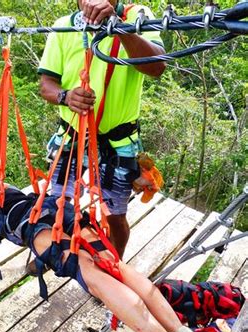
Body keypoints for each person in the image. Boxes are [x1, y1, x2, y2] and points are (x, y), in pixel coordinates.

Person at [0, 151, 217, 332]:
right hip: (56, 211)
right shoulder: (5, 185)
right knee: (113, 265)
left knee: (95, 278)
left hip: (39, 229)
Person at [38, 0, 167, 258]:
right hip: (72, 135)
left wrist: (118, 26)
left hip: (118, 141)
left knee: (115, 214)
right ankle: (53, 251)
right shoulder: (64, 27)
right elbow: (46, 84)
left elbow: (156, 67)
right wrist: (65, 96)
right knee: (58, 202)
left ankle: (114, 262)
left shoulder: (137, 16)